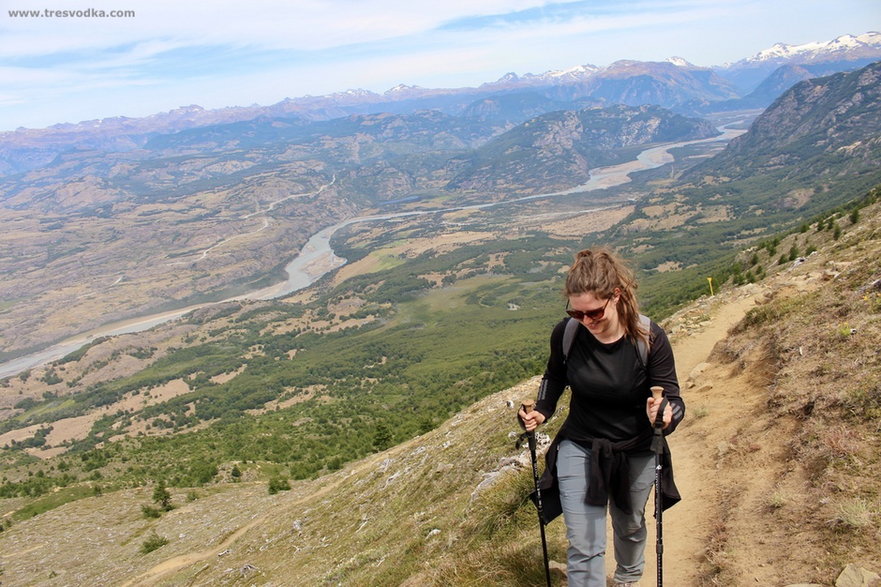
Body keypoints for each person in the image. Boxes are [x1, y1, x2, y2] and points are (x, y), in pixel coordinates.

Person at [519, 248, 684, 587]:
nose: (585, 321)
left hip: (635, 446)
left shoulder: (649, 338)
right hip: (580, 444)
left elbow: (673, 397)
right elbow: (555, 376)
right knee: (583, 543)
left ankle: (627, 579)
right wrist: (542, 410)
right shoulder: (567, 334)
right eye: (576, 313)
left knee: (630, 523)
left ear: (616, 296)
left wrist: (666, 414)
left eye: (593, 312)